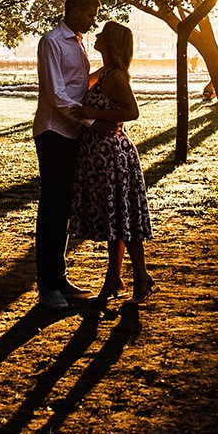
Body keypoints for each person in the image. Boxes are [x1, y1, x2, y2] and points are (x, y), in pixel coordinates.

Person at [70, 21, 153, 305]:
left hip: (112, 155)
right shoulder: (105, 72)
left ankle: (141, 277)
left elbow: (132, 111)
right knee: (115, 218)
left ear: (111, 43)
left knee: (122, 217)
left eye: (103, 34)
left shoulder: (116, 76)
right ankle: (114, 278)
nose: (97, 35)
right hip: (101, 154)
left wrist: (92, 113)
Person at [33, 0, 99, 309]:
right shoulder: (52, 42)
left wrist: (108, 71)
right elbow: (57, 94)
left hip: (72, 133)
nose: (92, 21)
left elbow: (79, 86)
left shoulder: (78, 43)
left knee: (64, 208)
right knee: (52, 208)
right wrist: (92, 121)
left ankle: (59, 279)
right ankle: (48, 288)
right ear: (74, 11)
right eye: (90, 15)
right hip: (53, 131)